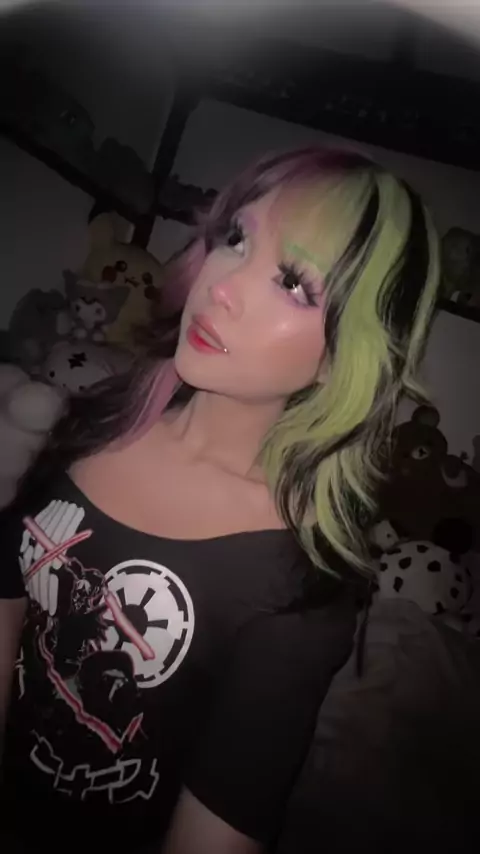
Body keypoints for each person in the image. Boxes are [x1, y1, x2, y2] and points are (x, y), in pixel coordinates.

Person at [0, 147, 440, 854]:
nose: (223, 285)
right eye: (236, 237)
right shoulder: (101, 417)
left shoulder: (301, 584)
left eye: (293, 283)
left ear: (344, 355)